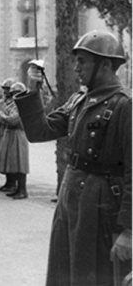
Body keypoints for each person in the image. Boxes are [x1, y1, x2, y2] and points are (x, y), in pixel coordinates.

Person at [15, 30, 131, 286]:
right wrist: (33, 91)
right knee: (63, 269)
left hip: (101, 207)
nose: (76, 66)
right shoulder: (79, 100)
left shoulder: (124, 105)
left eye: (82, 61)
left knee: (92, 274)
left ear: (105, 64)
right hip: (72, 199)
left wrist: (129, 231)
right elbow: (39, 131)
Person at [0, 82, 30, 200]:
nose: (15, 95)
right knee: (13, 160)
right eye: (14, 93)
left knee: (20, 162)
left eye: (18, 93)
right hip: (11, 133)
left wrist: (1, 114)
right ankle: (15, 187)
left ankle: (22, 189)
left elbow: (12, 120)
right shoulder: (14, 104)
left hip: (18, 134)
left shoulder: (23, 105)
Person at [0, 78, 17, 192]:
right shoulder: (3, 101)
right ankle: (7, 181)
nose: (5, 92)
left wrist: (1, 113)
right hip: (3, 129)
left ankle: (12, 182)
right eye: (4, 89)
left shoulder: (14, 102)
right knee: (3, 156)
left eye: (7, 89)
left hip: (9, 129)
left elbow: (9, 115)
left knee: (10, 157)